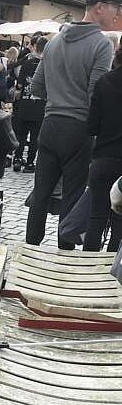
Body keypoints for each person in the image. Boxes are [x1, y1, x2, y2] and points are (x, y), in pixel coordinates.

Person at [26, 0, 120, 249]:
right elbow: (95, 95)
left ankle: (30, 249)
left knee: (41, 193)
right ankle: (64, 256)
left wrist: (58, 96)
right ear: (99, 7)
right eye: (116, 7)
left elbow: (36, 88)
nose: (118, 13)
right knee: (72, 195)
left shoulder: (54, 41)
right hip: (78, 129)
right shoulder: (100, 43)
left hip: (49, 125)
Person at [84, 42, 122, 251]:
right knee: (120, 225)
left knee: (96, 218)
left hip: (104, 158)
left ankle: (88, 269)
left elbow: (91, 126)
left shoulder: (104, 81)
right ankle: (110, 276)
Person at [12, 36, 47, 172]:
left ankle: (18, 159)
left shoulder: (27, 63)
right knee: (35, 138)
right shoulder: (47, 65)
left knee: (21, 135)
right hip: (39, 107)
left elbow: (19, 86)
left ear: (35, 47)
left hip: (24, 106)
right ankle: (30, 163)